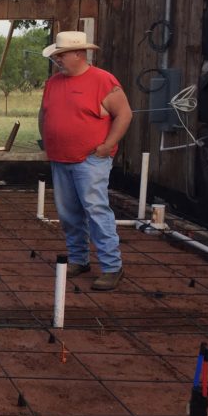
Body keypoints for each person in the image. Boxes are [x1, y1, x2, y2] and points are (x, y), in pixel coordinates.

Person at [37, 31, 132, 291]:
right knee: (68, 213)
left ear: (79, 54)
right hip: (60, 158)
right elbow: (44, 114)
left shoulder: (103, 81)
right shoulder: (53, 83)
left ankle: (112, 267)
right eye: (56, 55)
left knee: (96, 210)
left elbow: (124, 115)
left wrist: (107, 146)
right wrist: (47, 139)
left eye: (62, 54)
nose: (58, 59)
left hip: (90, 159)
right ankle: (79, 259)